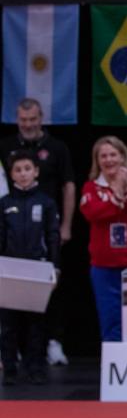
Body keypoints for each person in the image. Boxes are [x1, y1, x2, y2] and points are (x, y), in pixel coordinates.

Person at [0, 98, 75, 366]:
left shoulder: (57, 147)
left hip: (46, 228)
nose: (28, 124)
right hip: (12, 228)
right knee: (9, 293)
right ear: (17, 119)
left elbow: (68, 185)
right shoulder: (6, 146)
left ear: (41, 118)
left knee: (51, 287)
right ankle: (10, 349)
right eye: (23, 119)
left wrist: (65, 224)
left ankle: (53, 342)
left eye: (33, 119)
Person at [79, 136, 127, 342]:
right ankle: (114, 372)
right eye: (103, 156)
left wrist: (126, 190)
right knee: (110, 321)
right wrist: (115, 194)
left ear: (122, 157)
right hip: (104, 267)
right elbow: (93, 213)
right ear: (97, 160)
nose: (108, 159)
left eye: (113, 154)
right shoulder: (91, 188)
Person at [0, 150, 60, 385]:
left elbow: (53, 236)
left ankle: (35, 367)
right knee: (8, 323)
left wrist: (56, 267)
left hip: (37, 267)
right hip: (9, 269)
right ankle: (11, 368)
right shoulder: (5, 204)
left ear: (36, 171)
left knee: (37, 322)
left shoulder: (46, 203)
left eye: (27, 169)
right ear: (11, 175)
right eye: (18, 170)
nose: (23, 174)